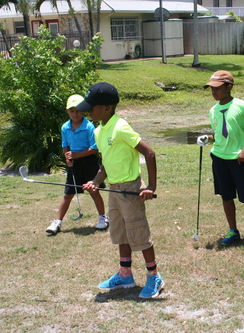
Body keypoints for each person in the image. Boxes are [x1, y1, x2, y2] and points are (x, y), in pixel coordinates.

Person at [79, 82, 164, 299]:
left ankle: (154, 276)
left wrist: (150, 186)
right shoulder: (98, 131)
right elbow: (106, 163)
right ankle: (125, 274)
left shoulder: (121, 127)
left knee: (139, 234)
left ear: (107, 108)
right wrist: (97, 181)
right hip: (115, 190)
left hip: (130, 188)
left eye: (92, 107)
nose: (88, 110)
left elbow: (150, 153)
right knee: (121, 232)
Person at [197, 70, 244, 248]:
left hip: (238, 159)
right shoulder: (213, 111)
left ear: (229, 87)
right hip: (219, 158)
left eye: (217, 88)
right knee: (226, 196)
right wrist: (209, 138)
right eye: (211, 89)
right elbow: (219, 135)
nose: (214, 92)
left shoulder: (241, 106)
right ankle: (233, 231)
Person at [46, 94, 108, 235]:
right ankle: (57, 222)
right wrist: (68, 158)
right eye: (72, 111)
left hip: (89, 162)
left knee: (93, 190)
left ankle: (102, 218)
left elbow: (94, 148)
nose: (75, 114)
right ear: (67, 111)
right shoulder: (65, 127)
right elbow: (65, 145)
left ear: (84, 111)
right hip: (74, 164)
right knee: (68, 194)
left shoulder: (89, 126)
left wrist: (76, 155)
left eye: (78, 110)